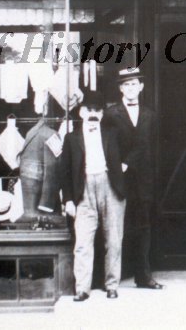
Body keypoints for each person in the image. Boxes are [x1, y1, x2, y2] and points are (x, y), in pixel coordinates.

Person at [60, 91, 127, 301]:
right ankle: (82, 288)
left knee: (114, 240)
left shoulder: (113, 133)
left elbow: (137, 148)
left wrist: (123, 166)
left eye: (97, 111)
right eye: (88, 110)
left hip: (111, 186)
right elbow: (64, 171)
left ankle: (112, 285)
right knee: (83, 240)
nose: (92, 114)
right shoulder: (71, 138)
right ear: (81, 112)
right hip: (84, 190)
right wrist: (68, 200)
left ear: (102, 114)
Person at [104, 67, 164, 290]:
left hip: (144, 181)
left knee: (144, 227)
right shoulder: (110, 114)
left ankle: (144, 276)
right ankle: (114, 276)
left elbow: (152, 148)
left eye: (134, 84)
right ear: (121, 88)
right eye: (126, 84)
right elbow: (107, 146)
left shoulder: (151, 115)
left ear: (141, 87)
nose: (131, 88)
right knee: (116, 227)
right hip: (119, 179)